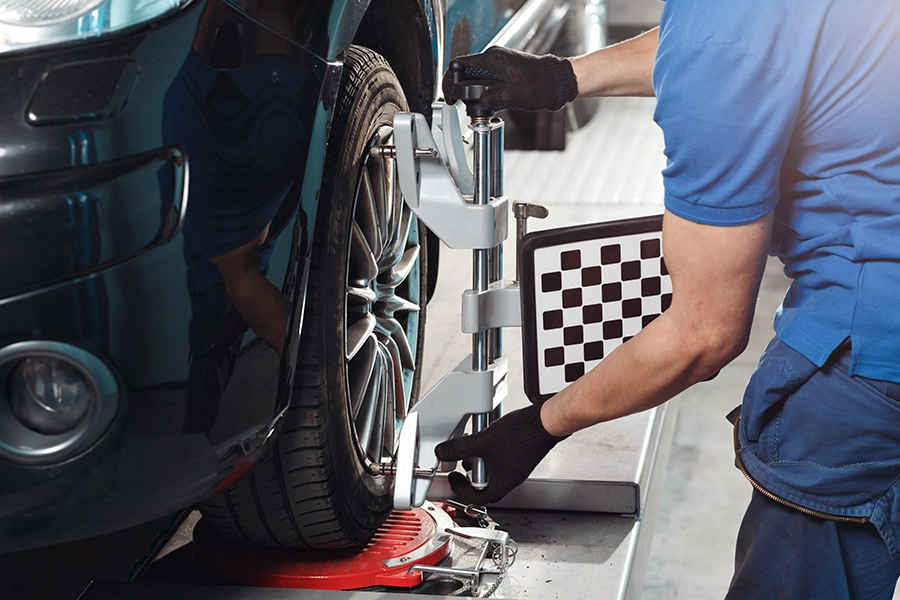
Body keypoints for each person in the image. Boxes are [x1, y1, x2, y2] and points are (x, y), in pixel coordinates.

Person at [435, 1, 900, 598]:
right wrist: (566, 76)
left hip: (869, 367)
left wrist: (541, 426)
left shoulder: (722, 31)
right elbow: (752, 44)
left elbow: (705, 333)